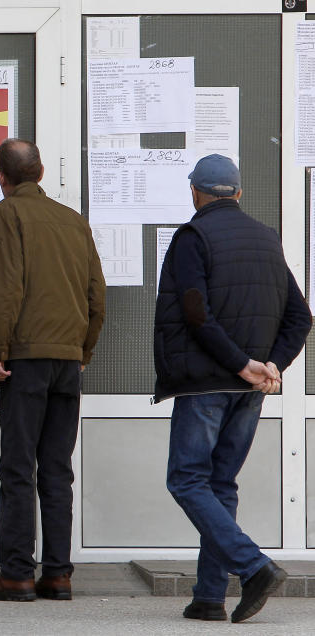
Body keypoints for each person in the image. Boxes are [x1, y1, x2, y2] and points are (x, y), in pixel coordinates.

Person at [154, 154, 311, 623]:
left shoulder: (192, 237)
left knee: (186, 479)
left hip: (207, 383)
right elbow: (300, 317)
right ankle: (208, 597)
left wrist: (244, 365)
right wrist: (270, 366)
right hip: (248, 389)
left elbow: (197, 314)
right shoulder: (267, 239)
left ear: (195, 194)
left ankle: (253, 566)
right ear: (239, 194)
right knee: (219, 483)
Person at [0, 138, 105, 602]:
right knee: (56, 470)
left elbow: (4, 287)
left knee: (17, 468)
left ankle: (15, 574)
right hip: (67, 359)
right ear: (42, 171)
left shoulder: (6, 214)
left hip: (26, 358)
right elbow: (96, 297)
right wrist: (82, 350)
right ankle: (59, 575)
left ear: (2, 176)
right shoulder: (74, 221)